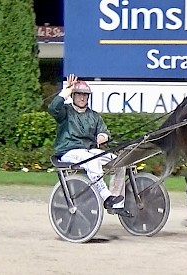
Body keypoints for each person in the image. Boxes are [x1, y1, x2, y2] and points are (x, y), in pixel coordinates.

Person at [48, 74, 131, 217]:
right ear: (73, 96)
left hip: (89, 151)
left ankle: (116, 203)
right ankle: (106, 197)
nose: (82, 97)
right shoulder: (65, 112)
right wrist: (65, 92)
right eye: (79, 94)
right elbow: (52, 108)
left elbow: (104, 132)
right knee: (91, 160)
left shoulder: (94, 115)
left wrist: (103, 136)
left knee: (121, 162)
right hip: (68, 150)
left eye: (85, 95)